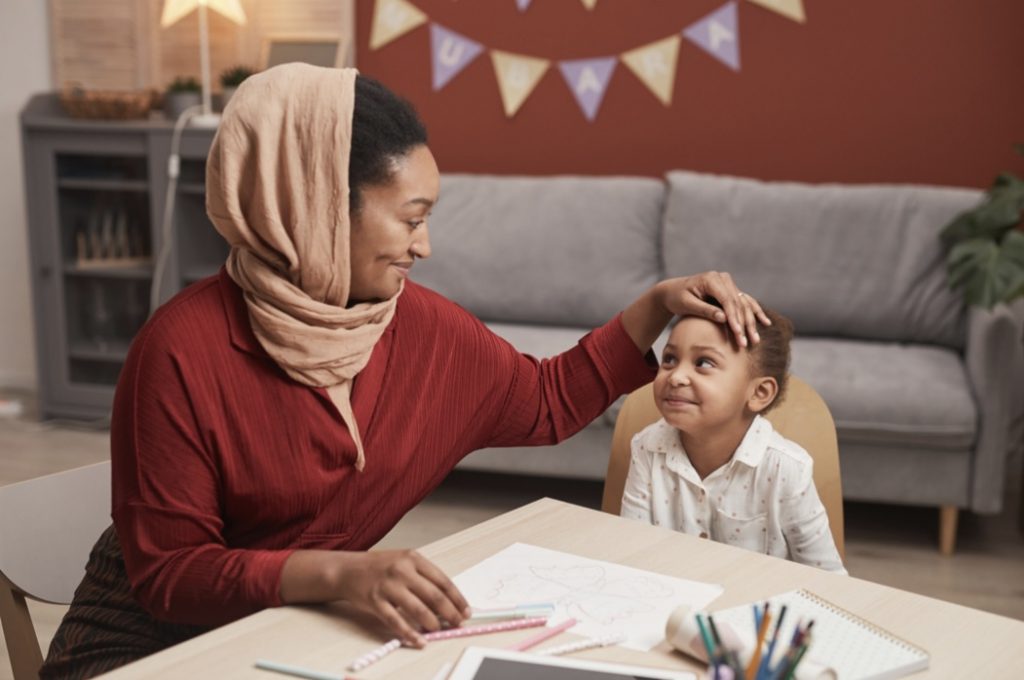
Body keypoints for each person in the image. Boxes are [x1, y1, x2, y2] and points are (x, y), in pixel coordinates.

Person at [40, 64, 770, 678]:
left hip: (296, 634)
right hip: (147, 651)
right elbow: (172, 576)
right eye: (409, 216)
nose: (425, 246)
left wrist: (655, 305)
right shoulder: (179, 352)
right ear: (320, 208)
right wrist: (343, 574)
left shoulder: (418, 328)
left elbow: (544, 401)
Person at [619, 305, 846, 574]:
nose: (676, 376)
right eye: (669, 359)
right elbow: (631, 556)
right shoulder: (647, 447)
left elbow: (830, 580)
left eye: (703, 362)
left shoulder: (786, 469)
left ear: (760, 392)